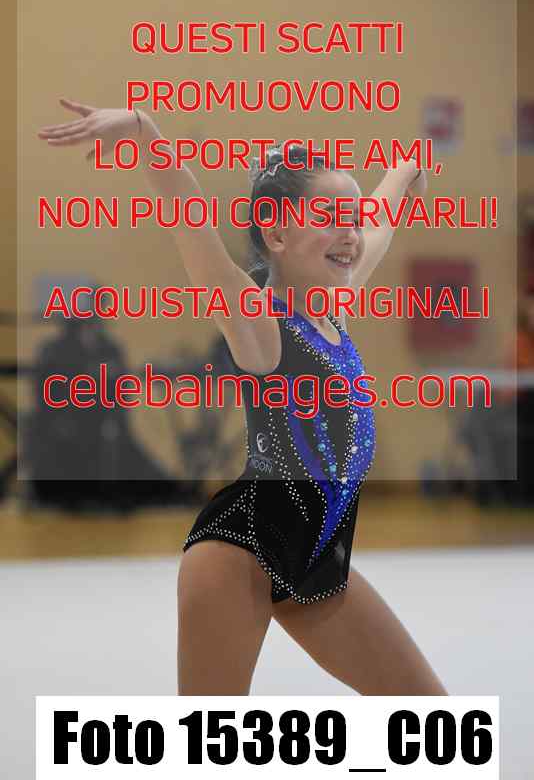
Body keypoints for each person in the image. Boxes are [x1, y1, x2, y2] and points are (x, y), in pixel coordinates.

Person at [38, 99, 448, 696]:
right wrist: (145, 132)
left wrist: (408, 167)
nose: (350, 234)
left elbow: (379, 223)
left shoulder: (330, 304)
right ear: (277, 233)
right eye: (330, 217)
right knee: (210, 741)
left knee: (433, 715)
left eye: (351, 218)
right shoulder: (258, 321)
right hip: (238, 557)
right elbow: (193, 227)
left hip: (315, 558)